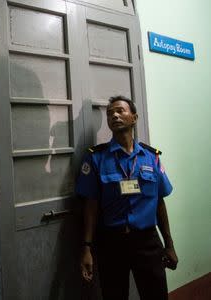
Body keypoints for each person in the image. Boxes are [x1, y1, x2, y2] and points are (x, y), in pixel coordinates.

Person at [76, 95, 178, 300]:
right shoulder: (96, 158)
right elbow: (91, 205)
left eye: (120, 111)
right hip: (112, 243)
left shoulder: (151, 157)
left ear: (134, 117)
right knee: (114, 295)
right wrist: (86, 247)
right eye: (110, 113)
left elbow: (159, 202)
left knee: (156, 295)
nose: (114, 115)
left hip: (147, 241)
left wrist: (169, 244)